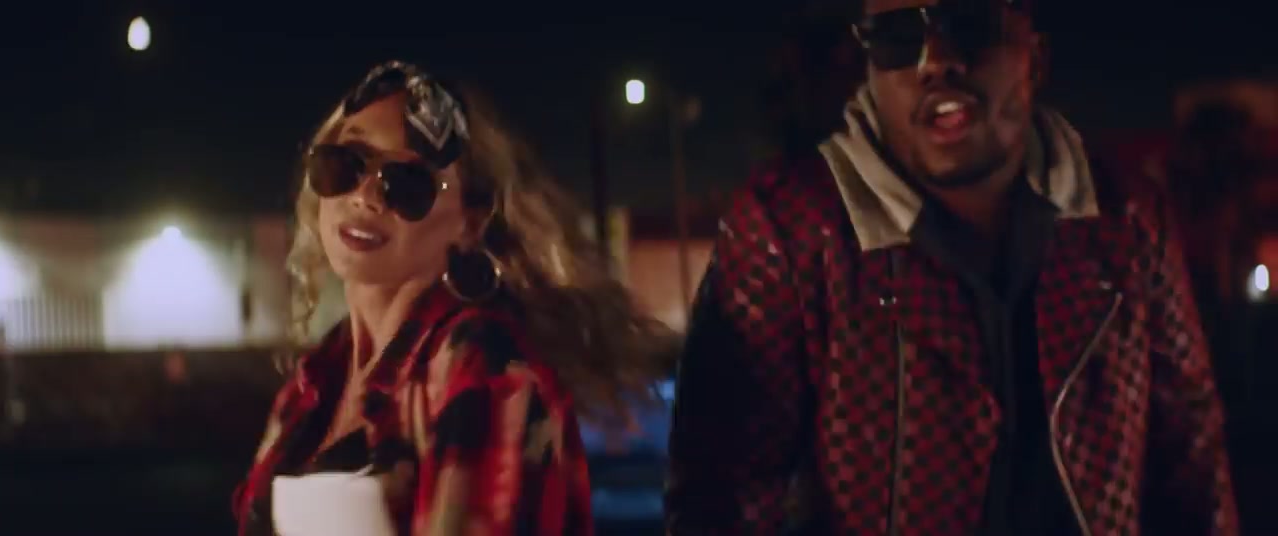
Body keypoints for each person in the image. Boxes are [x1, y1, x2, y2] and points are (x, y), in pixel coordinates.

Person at [665, 0, 1239, 534]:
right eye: (898, 37)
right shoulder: (792, 227)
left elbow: (1191, 458)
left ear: (1035, 58)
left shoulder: (1128, 216)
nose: (936, 60)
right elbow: (721, 491)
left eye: (971, 24)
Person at [233, 60, 670, 535]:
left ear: (470, 222)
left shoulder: (486, 369)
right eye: (347, 162)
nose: (366, 196)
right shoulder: (314, 380)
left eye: (408, 183)